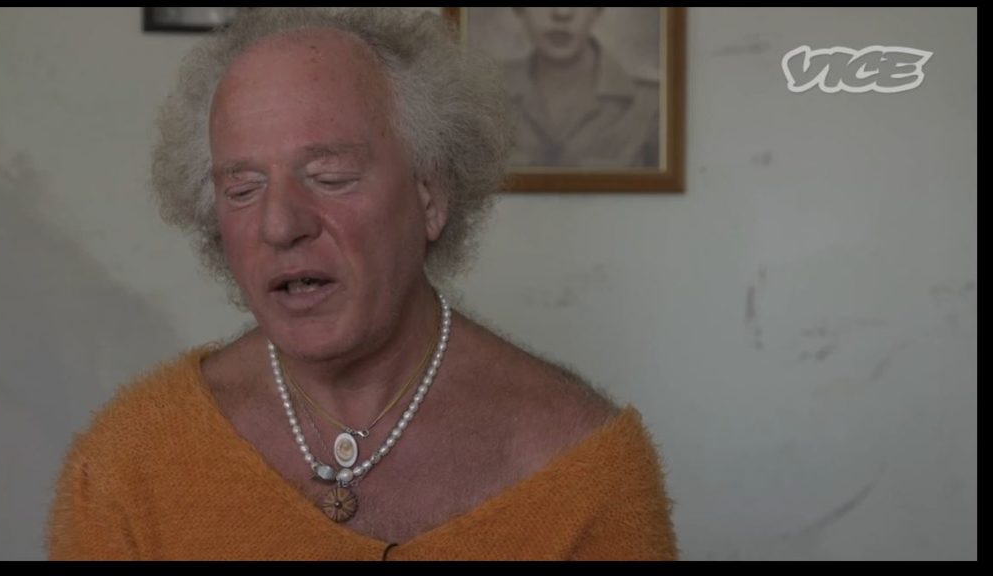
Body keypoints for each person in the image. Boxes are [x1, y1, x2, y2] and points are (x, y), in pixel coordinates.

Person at [46, 7, 677, 560]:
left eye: (330, 176)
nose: (280, 225)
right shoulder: (127, 462)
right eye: (241, 188)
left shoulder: (583, 467)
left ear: (430, 197)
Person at [503, 7, 660, 168]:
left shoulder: (653, 105)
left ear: (597, 10)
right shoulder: (488, 95)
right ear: (519, 10)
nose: (562, 13)